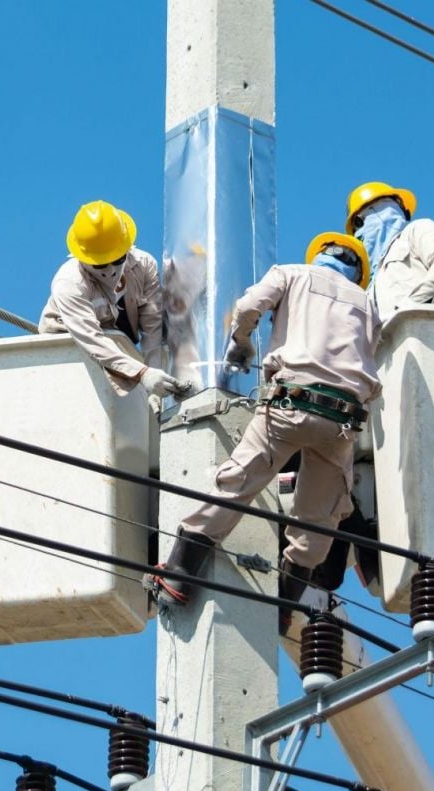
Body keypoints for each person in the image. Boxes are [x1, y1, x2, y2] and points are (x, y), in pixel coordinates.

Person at [150, 232, 380, 606]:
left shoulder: (291, 274)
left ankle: (179, 573)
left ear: (318, 255)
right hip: (341, 420)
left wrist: (241, 342)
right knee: (318, 520)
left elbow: (247, 307)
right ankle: (287, 605)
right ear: (359, 273)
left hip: (290, 403)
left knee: (238, 483)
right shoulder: (367, 305)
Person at [39, 201, 191, 400]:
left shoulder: (143, 266)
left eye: (118, 259)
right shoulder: (69, 283)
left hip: (118, 347)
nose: (111, 270)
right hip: (69, 348)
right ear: (83, 258)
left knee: (169, 329)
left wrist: (154, 380)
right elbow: (90, 338)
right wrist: (142, 373)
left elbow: (152, 327)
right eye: (100, 265)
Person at [345, 181, 434, 322]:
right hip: (400, 342)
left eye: (358, 224)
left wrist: (412, 307)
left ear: (382, 210)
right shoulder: (371, 284)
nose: (358, 235)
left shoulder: (416, 230)